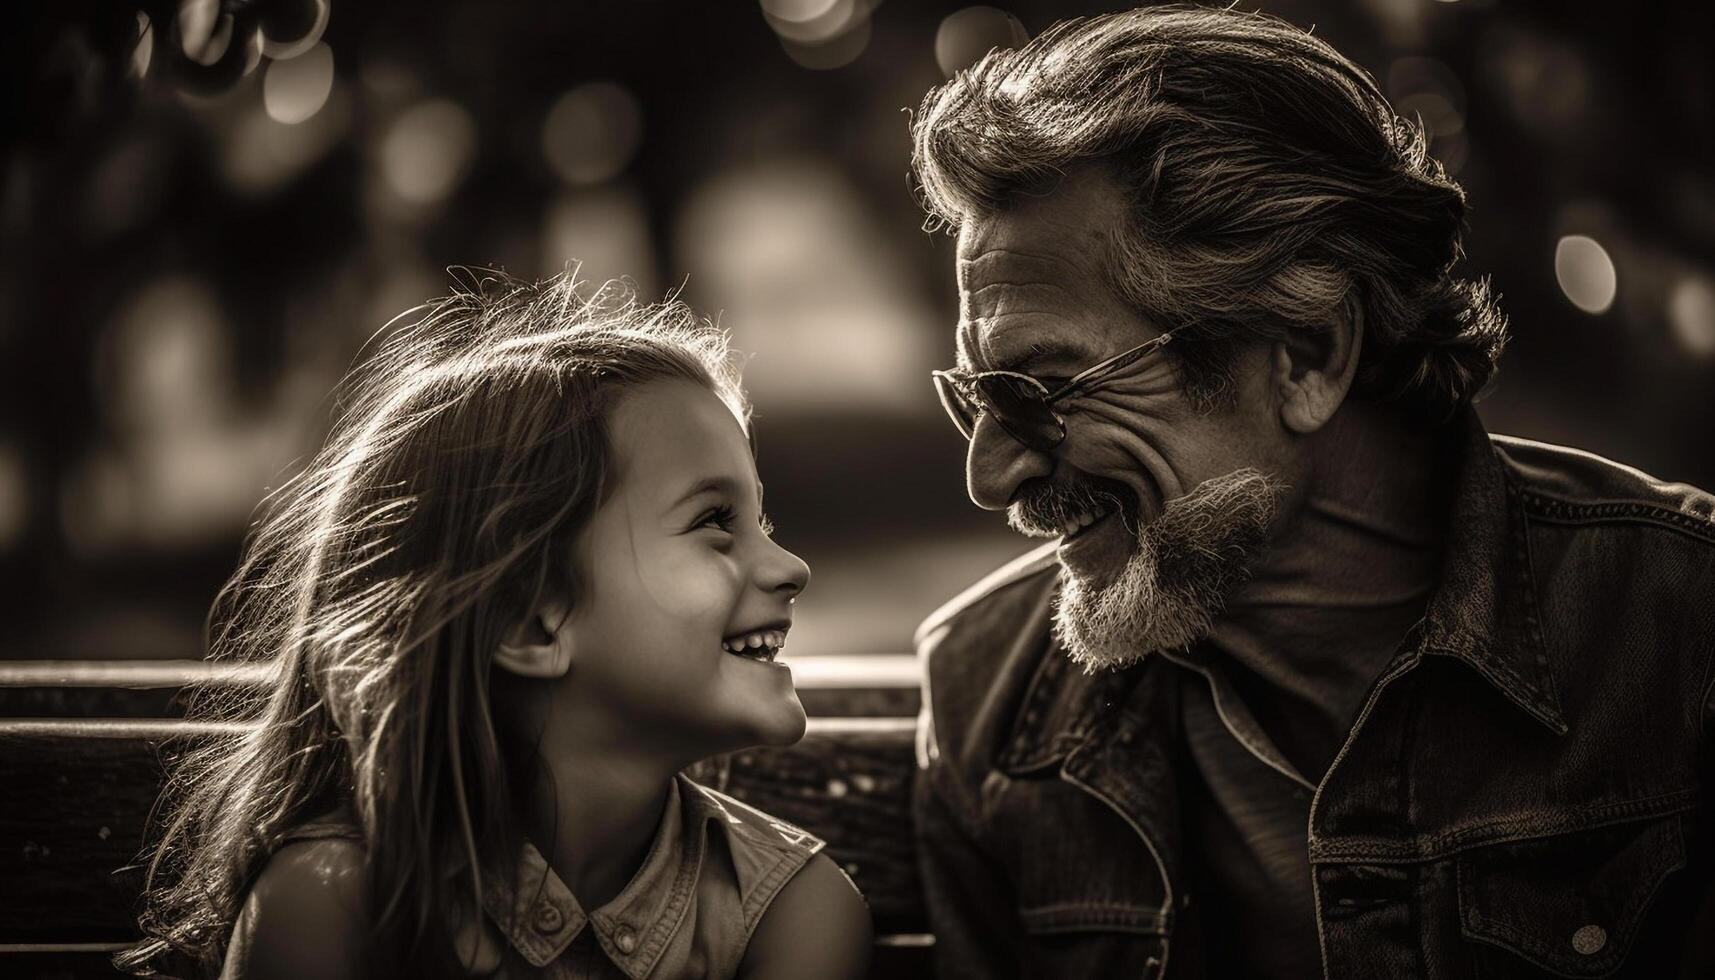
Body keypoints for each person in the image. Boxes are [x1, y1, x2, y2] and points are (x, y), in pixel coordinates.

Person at [908, 7, 1715, 978]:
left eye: (1040, 389)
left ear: (1306, 354)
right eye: (977, 396)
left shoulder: (1680, 632)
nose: (989, 474)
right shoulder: (987, 709)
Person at [116, 272, 872, 979]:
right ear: (530, 625)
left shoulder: (793, 915)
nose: (789, 566)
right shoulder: (330, 902)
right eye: (716, 521)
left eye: (761, 519)